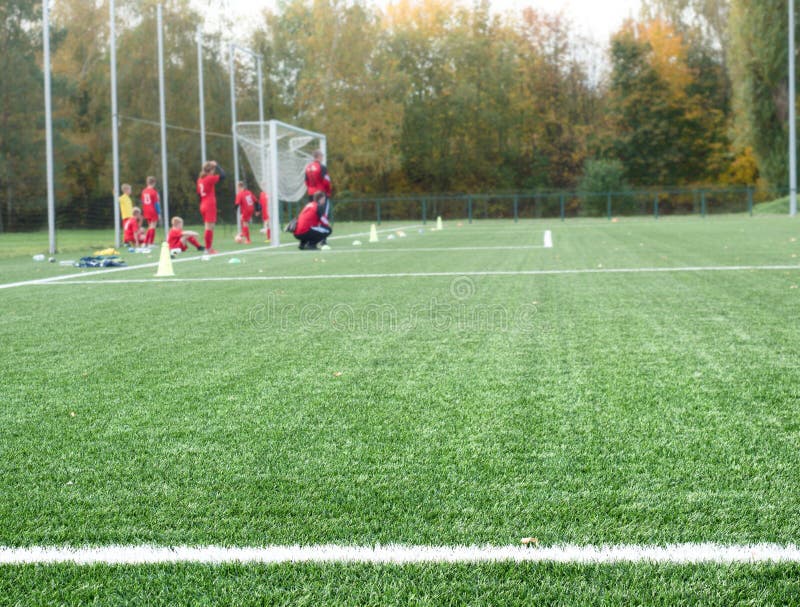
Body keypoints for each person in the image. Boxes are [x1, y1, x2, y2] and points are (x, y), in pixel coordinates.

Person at [197, 160, 225, 254]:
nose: (214, 172)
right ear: (210, 170)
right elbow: (223, 176)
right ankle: (208, 249)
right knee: (209, 228)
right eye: (213, 170)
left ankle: (209, 248)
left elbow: (198, 193)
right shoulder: (209, 178)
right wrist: (217, 165)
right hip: (209, 204)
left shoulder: (200, 179)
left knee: (208, 227)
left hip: (203, 204)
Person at [140, 176, 161, 246]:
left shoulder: (143, 191)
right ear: (154, 183)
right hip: (152, 211)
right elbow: (156, 204)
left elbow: (142, 202)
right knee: (152, 227)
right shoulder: (154, 192)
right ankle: (150, 243)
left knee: (150, 227)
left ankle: (145, 242)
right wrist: (159, 213)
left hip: (146, 211)